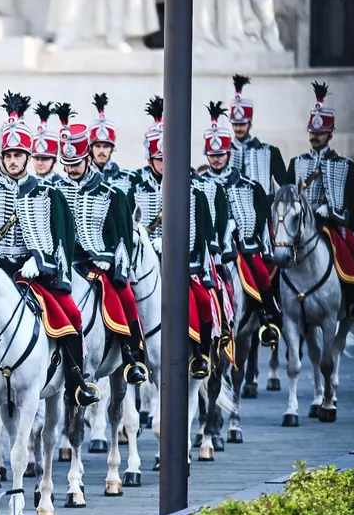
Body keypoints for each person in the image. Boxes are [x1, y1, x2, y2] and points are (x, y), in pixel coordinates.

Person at [0, 92, 98, 406]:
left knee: (71, 317)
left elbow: (62, 239)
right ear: (2, 157)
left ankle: (76, 381)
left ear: (27, 156)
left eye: (18, 154)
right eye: (8, 155)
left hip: (36, 275)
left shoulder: (49, 193)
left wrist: (39, 261)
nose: (13, 160)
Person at [53, 102, 148, 386]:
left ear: (88, 160)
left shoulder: (112, 193)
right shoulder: (55, 191)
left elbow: (122, 238)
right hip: (65, 265)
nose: (70, 170)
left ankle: (133, 356)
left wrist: (109, 258)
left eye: (76, 164)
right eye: (67, 164)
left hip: (97, 264)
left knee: (126, 297)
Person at [130, 96, 217, 378]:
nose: (163, 163)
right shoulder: (134, 186)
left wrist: (201, 271)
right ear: (150, 158)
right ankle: (133, 357)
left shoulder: (194, 190)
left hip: (183, 266)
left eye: (167, 157)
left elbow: (203, 236)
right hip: (144, 266)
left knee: (202, 301)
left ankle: (202, 354)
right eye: (158, 158)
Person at [201, 101, 281, 349]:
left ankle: (269, 316)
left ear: (229, 154)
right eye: (212, 156)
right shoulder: (199, 183)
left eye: (220, 155)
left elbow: (261, 219)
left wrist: (248, 235)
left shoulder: (249, 185)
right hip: (210, 248)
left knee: (258, 269)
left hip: (242, 245)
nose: (216, 160)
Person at [287, 81, 354, 320]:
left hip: (333, 224)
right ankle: (273, 304)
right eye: (312, 132)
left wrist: (333, 211)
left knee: (351, 248)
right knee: (279, 254)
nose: (314, 136)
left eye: (319, 133)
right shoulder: (296, 163)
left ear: (330, 134)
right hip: (301, 226)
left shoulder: (346, 166)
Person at [229, 75, 287, 198]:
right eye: (235, 124)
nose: (238, 128)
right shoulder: (224, 152)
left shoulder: (270, 151)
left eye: (242, 124)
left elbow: (285, 185)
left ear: (250, 124)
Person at [89, 93, 134, 196]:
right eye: (97, 146)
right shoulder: (81, 179)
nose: (101, 151)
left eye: (106, 146)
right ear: (91, 148)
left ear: (112, 148)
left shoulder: (129, 178)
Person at [31, 101, 63, 185]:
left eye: (45, 159)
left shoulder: (62, 185)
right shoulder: (27, 184)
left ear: (54, 160)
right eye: (36, 158)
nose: (39, 163)